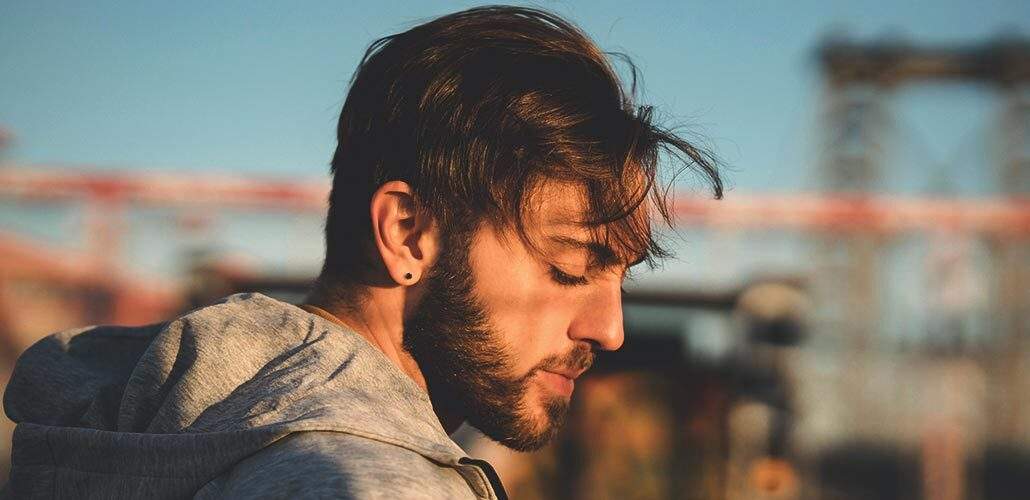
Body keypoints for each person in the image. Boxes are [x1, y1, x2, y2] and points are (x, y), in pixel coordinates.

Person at [2, 5, 721, 499]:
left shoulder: (173, 428)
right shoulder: (368, 482)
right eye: (570, 267)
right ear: (407, 234)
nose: (611, 328)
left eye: (622, 277)